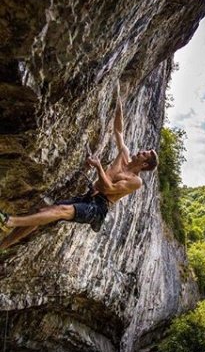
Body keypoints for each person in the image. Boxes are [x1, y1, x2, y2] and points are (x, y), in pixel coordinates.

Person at [0, 95, 158, 249]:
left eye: (145, 154)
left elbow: (109, 188)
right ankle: (4, 245)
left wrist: (98, 167)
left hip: (98, 207)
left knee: (61, 211)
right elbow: (119, 130)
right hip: (89, 196)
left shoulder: (136, 181)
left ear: (144, 164)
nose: (141, 151)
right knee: (44, 211)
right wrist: (119, 102)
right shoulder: (124, 153)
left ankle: (10, 221)